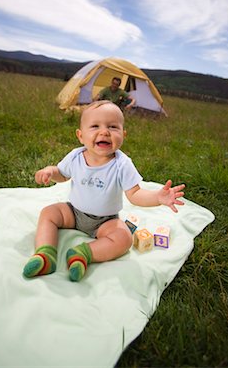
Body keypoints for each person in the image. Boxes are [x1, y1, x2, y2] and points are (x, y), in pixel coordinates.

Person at [23, 101, 185, 282]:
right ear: (81, 135)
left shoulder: (122, 164)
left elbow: (135, 194)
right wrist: (50, 172)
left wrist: (158, 197)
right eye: (95, 126)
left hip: (105, 221)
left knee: (124, 238)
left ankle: (83, 253)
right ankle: (46, 254)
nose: (104, 132)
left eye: (113, 127)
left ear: (123, 135)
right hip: (74, 212)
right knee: (49, 213)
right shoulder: (76, 156)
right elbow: (62, 174)